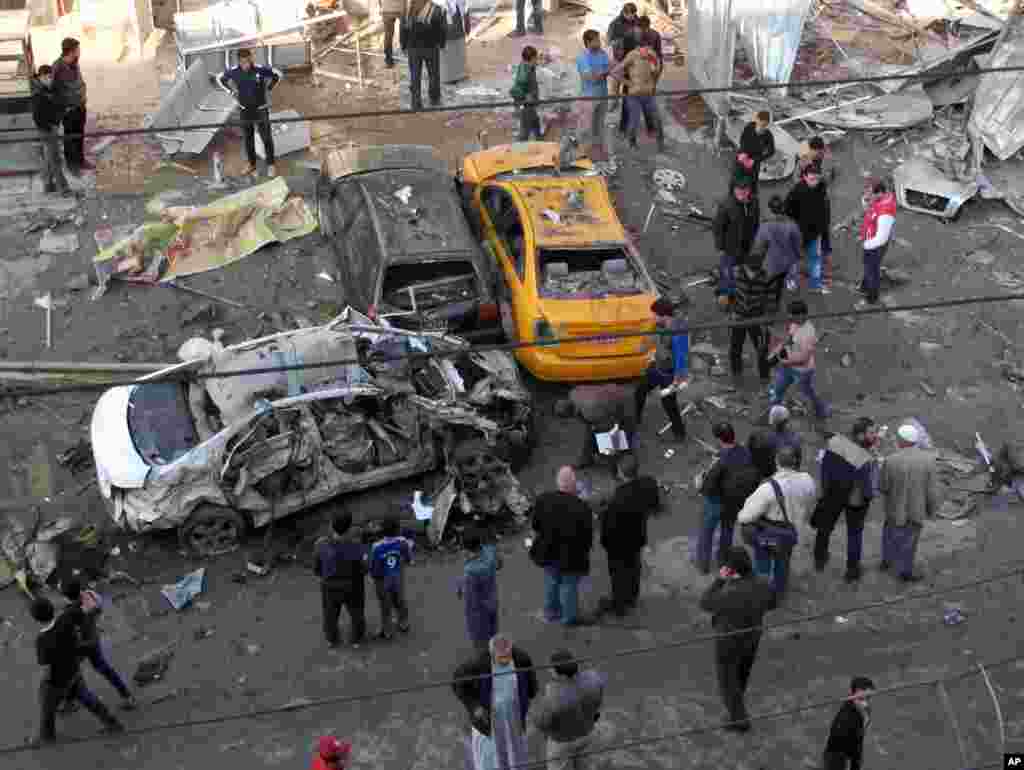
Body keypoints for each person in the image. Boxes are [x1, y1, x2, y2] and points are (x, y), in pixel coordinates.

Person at [698, 547, 777, 733]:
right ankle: (737, 706)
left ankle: (739, 718)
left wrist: (719, 580)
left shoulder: (730, 592)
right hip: (752, 637)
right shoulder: (763, 583)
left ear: (731, 570)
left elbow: (705, 602)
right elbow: (773, 603)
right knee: (741, 675)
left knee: (727, 681)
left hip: (728, 641)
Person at [32, 595, 124, 745]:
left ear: (36, 619)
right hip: (74, 670)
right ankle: (112, 723)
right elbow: (81, 614)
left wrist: (47, 681)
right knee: (86, 697)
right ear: (52, 608)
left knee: (46, 706)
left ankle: (46, 737)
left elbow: (46, 665)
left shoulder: (42, 640)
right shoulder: (65, 619)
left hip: (56, 681)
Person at [737, 444, 817, 595]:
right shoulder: (808, 480)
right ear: (795, 461)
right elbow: (810, 501)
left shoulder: (767, 489)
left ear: (776, 461)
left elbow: (744, 517)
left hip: (768, 536)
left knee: (763, 559)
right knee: (783, 562)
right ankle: (779, 592)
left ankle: (762, 592)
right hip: (792, 533)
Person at [452, 635, 539, 770]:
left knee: (514, 751)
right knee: (490, 756)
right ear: (492, 653)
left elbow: (531, 681)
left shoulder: (521, 658)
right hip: (489, 723)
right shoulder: (478, 663)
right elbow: (457, 683)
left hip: (513, 718)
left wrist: (530, 695)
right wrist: (474, 707)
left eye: (507, 656)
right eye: (501, 658)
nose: (505, 660)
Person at [813, 418, 879, 582]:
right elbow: (867, 487)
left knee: (824, 527)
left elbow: (825, 467)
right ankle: (852, 570)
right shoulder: (864, 458)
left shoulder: (834, 442)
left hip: (832, 493)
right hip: (855, 501)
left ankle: (819, 559)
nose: (875, 436)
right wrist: (870, 495)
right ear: (860, 435)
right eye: (871, 433)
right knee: (854, 534)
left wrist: (824, 490)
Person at [530, 466, 594, 625]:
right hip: (571, 559)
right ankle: (569, 617)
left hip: (548, 553)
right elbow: (587, 539)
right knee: (569, 587)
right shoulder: (582, 508)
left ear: (558, 483)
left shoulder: (543, 500)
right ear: (574, 486)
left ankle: (550, 613)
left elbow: (536, 526)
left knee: (551, 583)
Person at [598, 453, 659, 616]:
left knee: (618, 575)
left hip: (619, 545)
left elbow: (608, 527)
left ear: (620, 472)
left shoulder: (617, 500)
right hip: (637, 537)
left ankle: (619, 605)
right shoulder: (647, 484)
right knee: (634, 568)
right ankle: (632, 597)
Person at [60, 580, 136, 710]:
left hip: (79, 645)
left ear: (67, 597)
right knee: (104, 669)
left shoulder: (70, 611)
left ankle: (69, 701)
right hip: (93, 640)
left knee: (68, 672)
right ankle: (127, 695)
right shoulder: (90, 595)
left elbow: (69, 628)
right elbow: (98, 608)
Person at [879, 423, 941, 583]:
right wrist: (932, 510)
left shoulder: (890, 460)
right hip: (916, 510)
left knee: (889, 535)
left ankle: (887, 561)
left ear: (902, 440)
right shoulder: (928, 461)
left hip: (893, 509)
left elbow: (883, 487)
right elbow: (932, 491)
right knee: (910, 540)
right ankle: (905, 571)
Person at [697, 422, 760, 574]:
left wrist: (699, 482)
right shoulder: (746, 452)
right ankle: (723, 560)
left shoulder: (720, 462)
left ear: (719, 440)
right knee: (727, 531)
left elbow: (707, 488)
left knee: (707, 531)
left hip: (717, 502)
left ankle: (703, 564)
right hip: (735, 502)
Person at [531, 649, 607, 769]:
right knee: (584, 765)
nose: (548, 669)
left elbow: (541, 723)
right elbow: (598, 701)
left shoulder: (552, 695)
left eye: (550, 667)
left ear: (557, 673)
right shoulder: (594, 679)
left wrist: (536, 708)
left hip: (562, 742)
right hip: (587, 733)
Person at [217, 49, 281, 178]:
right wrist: (230, 91)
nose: (246, 64)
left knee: (266, 138)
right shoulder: (234, 71)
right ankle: (252, 164)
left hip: (261, 109)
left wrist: (269, 88)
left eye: (248, 60)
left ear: (251, 58)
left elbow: (277, 75)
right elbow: (220, 78)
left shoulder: (260, 69)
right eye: (243, 61)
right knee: (248, 139)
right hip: (244, 110)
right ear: (239, 61)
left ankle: (271, 165)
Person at [634, 297, 689, 440]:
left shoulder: (677, 333)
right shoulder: (658, 325)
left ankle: (679, 433)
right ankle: (635, 420)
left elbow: (681, 359)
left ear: (664, 315)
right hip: (656, 367)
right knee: (640, 392)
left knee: (669, 405)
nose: (652, 317)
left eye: (655, 314)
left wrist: (676, 382)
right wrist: (642, 347)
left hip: (669, 375)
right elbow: (650, 341)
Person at [314, 511, 368, 648]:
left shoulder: (320, 544)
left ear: (331, 526)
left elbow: (317, 568)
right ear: (350, 528)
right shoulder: (357, 546)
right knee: (357, 613)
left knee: (330, 615)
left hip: (329, 587)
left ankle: (331, 639)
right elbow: (363, 569)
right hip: (353, 587)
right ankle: (356, 638)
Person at [767, 299, 828, 421]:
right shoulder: (795, 323)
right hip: (788, 366)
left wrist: (785, 362)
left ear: (801, 315)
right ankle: (774, 413)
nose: (790, 318)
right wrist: (778, 348)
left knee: (807, 392)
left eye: (792, 316)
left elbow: (804, 359)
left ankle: (821, 410)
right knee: (778, 388)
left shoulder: (808, 333)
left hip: (802, 371)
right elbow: (790, 338)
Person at [555, 382, 636, 469]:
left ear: (569, 415)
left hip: (624, 401)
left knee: (623, 434)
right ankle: (586, 460)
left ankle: (621, 464)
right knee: (593, 433)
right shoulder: (573, 393)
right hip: (610, 394)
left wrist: (606, 447)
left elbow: (610, 427)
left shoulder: (591, 410)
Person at [784, 165, 832, 294]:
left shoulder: (822, 188)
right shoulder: (796, 192)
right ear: (804, 177)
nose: (814, 182)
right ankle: (791, 280)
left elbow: (825, 212)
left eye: (817, 179)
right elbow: (787, 211)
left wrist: (824, 233)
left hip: (815, 233)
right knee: (794, 259)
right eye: (811, 179)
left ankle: (815, 283)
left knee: (815, 258)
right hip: (799, 234)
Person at [609, 40, 663, 151]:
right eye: (644, 48)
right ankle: (632, 142)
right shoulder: (632, 55)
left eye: (649, 48)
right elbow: (614, 72)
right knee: (634, 121)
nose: (647, 51)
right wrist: (628, 83)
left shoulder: (652, 55)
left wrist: (653, 83)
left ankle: (661, 143)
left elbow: (657, 71)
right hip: (634, 96)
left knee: (657, 119)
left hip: (649, 95)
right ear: (638, 48)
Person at [731, 255, 778, 382]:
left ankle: (764, 376)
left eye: (754, 271)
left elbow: (771, 301)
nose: (751, 275)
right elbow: (729, 291)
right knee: (736, 346)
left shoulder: (768, 277)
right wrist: (731, 309)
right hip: (739, 315)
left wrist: (767, 320)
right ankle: (736, 373)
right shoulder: (736, 273)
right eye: (749, 271)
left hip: (757, 318)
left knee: (762, 348)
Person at [712, 177, 759, 300]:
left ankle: (736, 288)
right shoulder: (726, 206)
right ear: (733, 190)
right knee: (727, 270)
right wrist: (720, 246)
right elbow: (718, 227)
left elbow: (755, 222)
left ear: (749, 191)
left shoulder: (754, 202)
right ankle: (725, 292)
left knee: (741, 268)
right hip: (730, 246)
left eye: (744, 191)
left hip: (747, 245)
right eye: (738, 191)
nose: (741, 194)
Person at [458, 527, 503, 651]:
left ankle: (484, 658)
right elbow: (499, 564)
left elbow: (470, 599)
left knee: (479, 637)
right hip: (492, 599)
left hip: (478, 609)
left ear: (466, 549)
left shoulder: (471, 571)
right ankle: (495, 651)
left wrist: (461, 588)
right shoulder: (490, 550)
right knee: (493, 630)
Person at [369, 518, 414, 640]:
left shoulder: (376, 547)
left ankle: (387, 630)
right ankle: (404, 623)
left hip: (383, 581)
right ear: (398, 530)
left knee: (385, 605)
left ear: (382, 531)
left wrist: (374, 577)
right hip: (398, 578)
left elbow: (374, 568)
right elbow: (409, 559)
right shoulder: (403, 542)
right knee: (400, 600)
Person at [750, 194, 802, 298]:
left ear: (770, 209)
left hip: (771, 264)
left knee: (771, 288)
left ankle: (773, 303)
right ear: (782, 208)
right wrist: (798, 256)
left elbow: (758, 248)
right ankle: (792, 300)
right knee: (791, 288)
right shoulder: (792, 225)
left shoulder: (765, 227)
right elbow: (798, 243)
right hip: (789, 262)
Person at [51, 38, 91, 174]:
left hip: (80, 106)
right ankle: (72, 165)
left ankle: (80, 160)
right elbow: (52, 90)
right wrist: (62, 107)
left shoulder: (75, 64)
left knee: (80, 134)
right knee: (70, 138)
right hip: (69, 110)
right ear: (71, 51)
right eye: (78, 50)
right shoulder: (57, 67)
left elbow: (79, 83)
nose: (79, 52)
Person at [401, 0, 447, 111]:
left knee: (415, 76)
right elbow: (442, 29)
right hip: (431, 47)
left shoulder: (407, 9)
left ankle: (416, 103)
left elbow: (403, 28)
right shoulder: (436, 9)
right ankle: (434, 99)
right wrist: (441, 43)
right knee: (434, 74)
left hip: (413, 48)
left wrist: (403, 45)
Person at [31, 65, 70, 196]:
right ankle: (63, 189)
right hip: (46, 129)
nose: (48, 79)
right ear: (40, 77)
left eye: (50, 76)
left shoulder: (48, 89)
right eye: (46, 77)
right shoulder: (38, 92)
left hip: (51, 127)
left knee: (49, 158)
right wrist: (50, 127)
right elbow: (37, 117)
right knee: (55, 160)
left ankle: (48, 186)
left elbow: (56, 106)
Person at [858, 179, 897, 307]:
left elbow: (882, 237)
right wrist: (866, 202)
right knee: (868, 267)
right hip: (871, 242)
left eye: (871, 194)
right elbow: (871, 210)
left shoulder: (885, 212)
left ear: (879, 193)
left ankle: (872, 296)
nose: (868, 197)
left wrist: (867, 245)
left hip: (875, 246)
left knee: (872, 270)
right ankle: (864, 286)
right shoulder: (881, 200)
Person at [823, 677, 875, 770]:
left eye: (868, 698)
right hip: (837, 757)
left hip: (851, 753)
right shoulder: (846, 718)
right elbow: (848, 748)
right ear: (852, 695)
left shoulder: (862, 710)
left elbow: (858, 743)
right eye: (861, 699)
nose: (865, 704)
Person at [575, 30, 610, 158]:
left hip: (603, 95)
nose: (599, 42)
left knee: (599, 123)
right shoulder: (582, 58)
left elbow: (608, 68)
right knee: (585, 126)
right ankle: (581, 152)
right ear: (588, 42)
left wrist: (600, 73)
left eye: (599, 40)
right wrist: (603, 73)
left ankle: (597, 150)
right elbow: (590, 77)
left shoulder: (603, 54)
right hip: (589, 97)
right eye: (596, 40)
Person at [606, 3, 641, 132]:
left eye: (634, 14)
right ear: (625, 13)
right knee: (615, 83)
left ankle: (630, 104)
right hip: (619, 58)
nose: (632, 17)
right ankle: (614, 102)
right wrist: (622, 40)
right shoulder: (615, 24)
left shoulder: (637, 21)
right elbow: (609, 40)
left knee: (630, 83)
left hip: (632, 58)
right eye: (630, 15)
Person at [748, 405, 802, 480]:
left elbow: (750, 458)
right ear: (787, 421)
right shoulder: (796, 440)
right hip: (789, 478)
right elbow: (797, 464)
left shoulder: (759, 437)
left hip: (766, 478)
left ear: (771, 420)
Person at [738, 111, 775, 195]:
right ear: (757, 120)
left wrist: (755, 160)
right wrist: (742, 152)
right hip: (743, 157)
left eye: (765, 126)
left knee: (753, 183)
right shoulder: (749, 126)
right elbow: (742, 140)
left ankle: (752, 196)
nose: (762, 128)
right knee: (737, 177)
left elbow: (771, 151)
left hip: (755, 161)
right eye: (760, 125)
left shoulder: (768, 135)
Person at [510, 46, 542, 142]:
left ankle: (539, 142)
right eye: (536, 58)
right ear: (532, 58)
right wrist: (524, 98)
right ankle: (518, 150)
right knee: (525, 132)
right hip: (527, 106)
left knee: (536, 124)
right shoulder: (526, 71)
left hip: (530, 105)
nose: (537, 60)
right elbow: (517, 88)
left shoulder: (528, 67)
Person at [381, 0, 405, 68]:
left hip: (386, 9)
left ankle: (388, 61)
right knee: (405, 30)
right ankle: (404, 50)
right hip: (401, 8)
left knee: (388, 36)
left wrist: (382, 6)